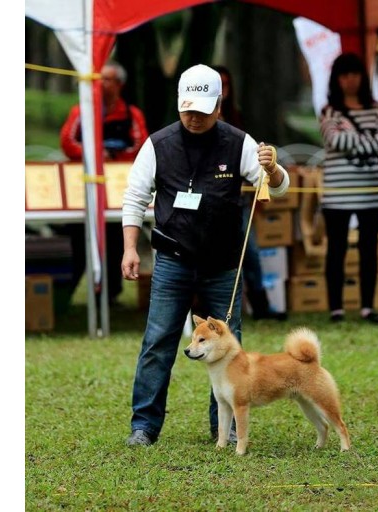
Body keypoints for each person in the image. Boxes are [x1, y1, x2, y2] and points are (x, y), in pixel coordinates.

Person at [121, 64, 290, 446]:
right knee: (158, 342)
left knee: (229, 347)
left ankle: (224, 428)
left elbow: (277, 188)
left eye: (202, 110)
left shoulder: (239, 143)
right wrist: (130, 247)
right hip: (172, 259)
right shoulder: (158, 144)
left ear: (218, 105)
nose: (193, 118)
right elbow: (134, 197)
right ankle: (143, 427)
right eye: (187, 110)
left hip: (223, 264)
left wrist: (274, 169)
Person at [57, 61, 149, 304]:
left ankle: (110, 294)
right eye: (99, 78)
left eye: (107, 79)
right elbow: (67, 142)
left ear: (119, 84)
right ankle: (66, 292)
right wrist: (96, 154)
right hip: (84, 190)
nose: (101, 83)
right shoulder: (81, 112)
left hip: (118, 190)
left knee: (116, 240)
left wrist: (115, 157)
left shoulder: (132, 114)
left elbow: (141, 146)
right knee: (79, 240)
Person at [318, 52, 378, 324]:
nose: (350, 79)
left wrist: (353, 138)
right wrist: (367, 140)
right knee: (336, 250)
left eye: (355, 73)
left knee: (369, 250)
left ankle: (368, 307)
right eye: (344, 74)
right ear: (336, 79)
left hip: (371, 191)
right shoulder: (329, 111)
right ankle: (336, 308)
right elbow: (335, 140)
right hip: (337, 193)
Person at [213, 65, 286, 321]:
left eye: (226, 84)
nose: (223, 90)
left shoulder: (236, 119)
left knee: (250, 252)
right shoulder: (199, 121)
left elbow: (254, 163)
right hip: (210, 200)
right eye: (218, 84)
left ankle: (260, 305)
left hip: (238, 198)